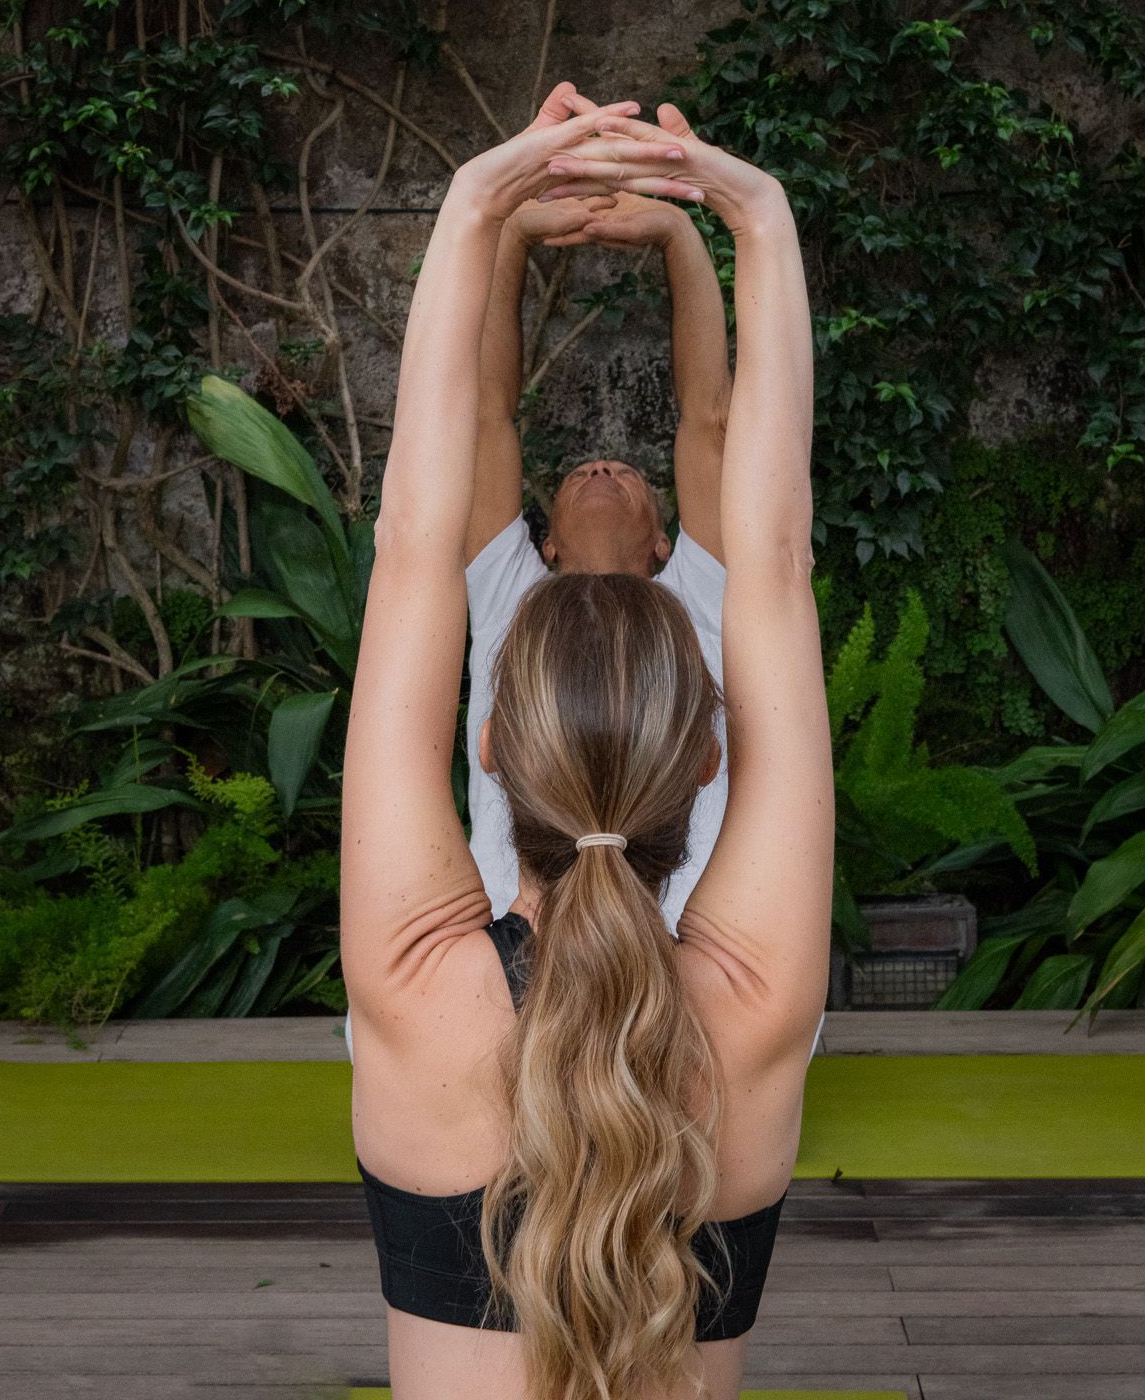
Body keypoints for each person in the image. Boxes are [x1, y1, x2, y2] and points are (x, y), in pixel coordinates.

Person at [340, 89, 834, 1400]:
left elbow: (408, 544)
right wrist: (754, 213)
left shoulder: (415, 989)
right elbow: (774, 558)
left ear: (488, 745)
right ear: (708, 756)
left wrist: (478, 202)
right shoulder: (754, 1009)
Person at [462, 84, 736, 936]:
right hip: (518, 946)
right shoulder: (506, 598)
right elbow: (484, 415)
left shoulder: (703, 601)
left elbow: (709, 422)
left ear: (665, 543)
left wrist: (678, 234)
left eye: (630, 475)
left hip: (682, 943)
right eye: (583, 469)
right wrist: (509, 234)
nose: (606, 465)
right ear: (541, 543)